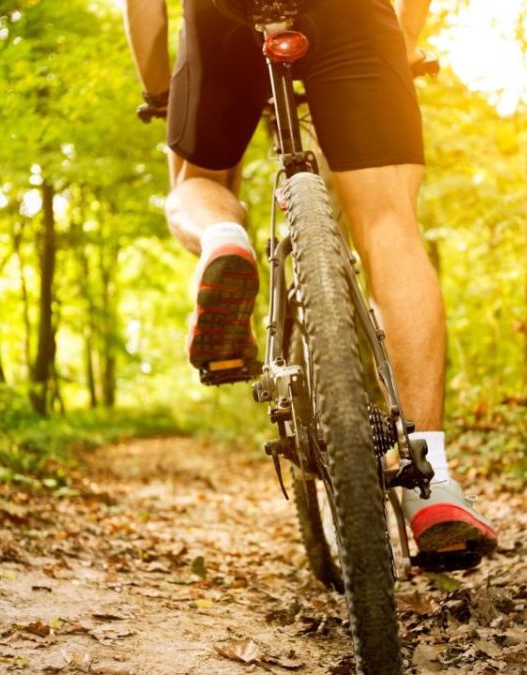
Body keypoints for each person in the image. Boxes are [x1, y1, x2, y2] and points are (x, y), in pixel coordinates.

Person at [123, 0, 497, 562]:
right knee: (389, 222)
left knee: (195, 181)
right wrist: (404, 39)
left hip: (223, 15)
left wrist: (159, 90)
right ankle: (432, 482)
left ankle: (224, 237)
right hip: (352, 15)